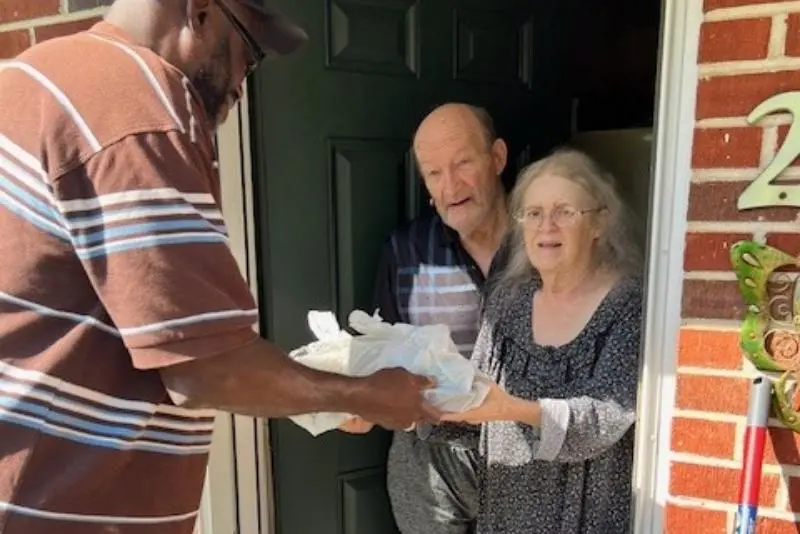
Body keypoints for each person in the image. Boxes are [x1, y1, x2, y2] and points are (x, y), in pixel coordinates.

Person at [0, 1, 438, 533]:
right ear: (200, 11)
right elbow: (203, 368)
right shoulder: (138, 106)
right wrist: (364, 394)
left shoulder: (31, 79)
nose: (242, 83)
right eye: (249, 56)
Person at [436, 148, 644, 533]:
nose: (546, 226)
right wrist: (403, 403)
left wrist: (513, 408)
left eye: (565, 212)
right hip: (504, 516)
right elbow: (475, 409)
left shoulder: (629, 304)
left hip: (583, 519)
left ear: (599, 223)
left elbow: (607, 417)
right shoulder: (508, 302)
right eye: (533, 214)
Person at [368, 102, 510, 534]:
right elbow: (380, 357)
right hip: (429, 460)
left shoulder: (545, 241)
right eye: (434, 172)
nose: (451, 186)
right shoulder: (406, 250)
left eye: (463, 163)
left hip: (524, 458)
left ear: (497, 158)